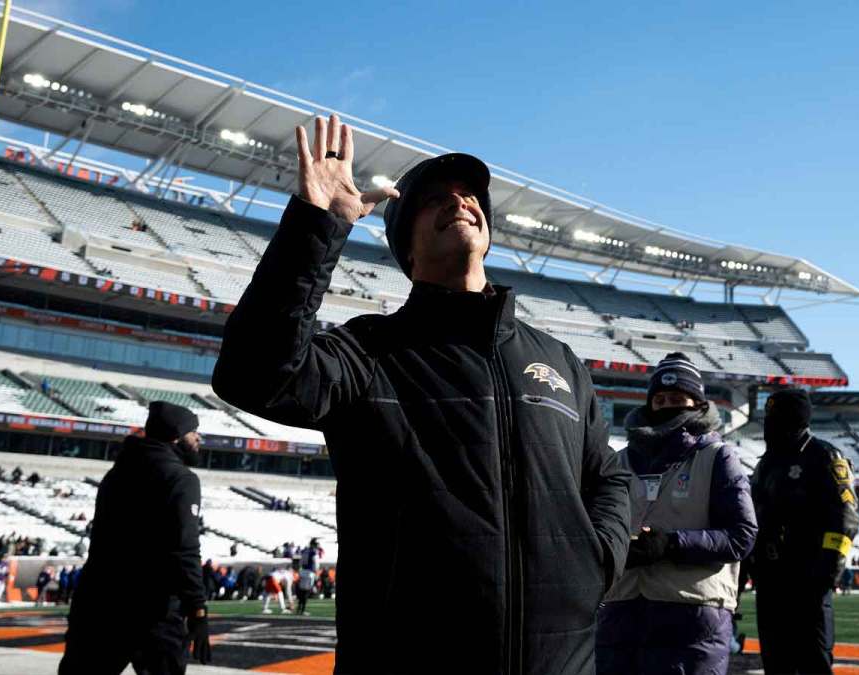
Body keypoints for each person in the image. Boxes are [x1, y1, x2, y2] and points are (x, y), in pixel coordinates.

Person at [213, 114, 631, 674]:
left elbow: (607, 475)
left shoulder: (558, 362)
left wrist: (598, 558)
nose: (459, 202)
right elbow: (252, 373)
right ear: (406, 249)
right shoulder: (367, 351)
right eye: (435, 200)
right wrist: (321, 225)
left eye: (468, 195)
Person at [596, 353, 757, 675]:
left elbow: (741, 536)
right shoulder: (621, 460)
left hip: (691, 612)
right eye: (660, 399)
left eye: (677, 398)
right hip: (621, 608)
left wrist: (670, 544)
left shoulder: (718, 456)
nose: (666, 404)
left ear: (696, 403)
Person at [59, 401, 211, 674]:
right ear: (176, 436)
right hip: (152, 610)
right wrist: (197, 610)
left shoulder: (117, 473)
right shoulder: (180, 479)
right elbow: (184, 549)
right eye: (193, 431)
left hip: (97, 604)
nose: (198, 438)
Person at [749, 388, 859, 674]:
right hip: (770, 583)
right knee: (776, 665)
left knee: (814, 664)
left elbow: (845, 518)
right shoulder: (765, 465)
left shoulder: (824, 456)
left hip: (809, 581)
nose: (770, 426)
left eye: (778, 418)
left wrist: (827, 570)